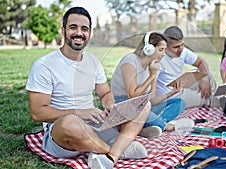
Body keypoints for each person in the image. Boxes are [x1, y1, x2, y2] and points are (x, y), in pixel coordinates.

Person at [25, 7, 151, 169]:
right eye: (73, 27)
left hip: (95, 122)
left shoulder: (92, 61)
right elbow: (38, 113)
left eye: (84, 29)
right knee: (70, 123)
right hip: (63, 131)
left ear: (90, 33)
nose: (79, 33)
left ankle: (109, 156)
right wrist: (79, 112)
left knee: (143, 105)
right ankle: (117, 150)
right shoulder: (44, 65)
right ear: (63, 30)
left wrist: (109, 104)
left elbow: (105, 92)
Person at [110, 32, 186, 139]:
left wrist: (171, 93)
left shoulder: (153, 66)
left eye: (164, 50)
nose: (163, 54)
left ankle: (147, 126)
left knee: (179, 103)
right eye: (161, 50)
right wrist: (152, 76)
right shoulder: (130, 60)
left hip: (142, 106)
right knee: (150, 115)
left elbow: (152, 100)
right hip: (124, 105)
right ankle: (161, 125)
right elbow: (132, 95)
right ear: (148, 48)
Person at [156, 26, 219, 108]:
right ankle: (218, 102)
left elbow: (201, 62)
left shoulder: (182, 51)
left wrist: (205, 80)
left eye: (182, 45)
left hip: (180, 85)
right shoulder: (159, 58)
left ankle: (216, 98)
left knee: (207, 75)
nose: (181, 49)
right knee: (208, 97)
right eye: (176, 47)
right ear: (165, 46)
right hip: (172, 97)